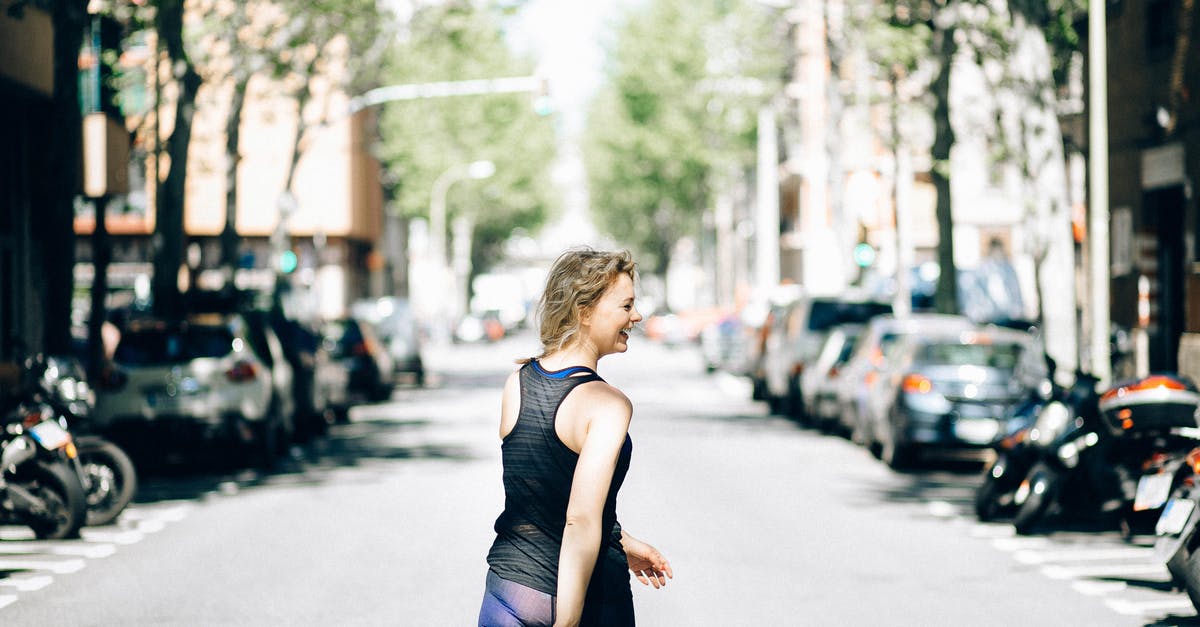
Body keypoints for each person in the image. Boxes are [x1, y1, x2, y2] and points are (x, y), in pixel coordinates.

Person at [479, 248, 673, 627]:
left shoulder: (517, 383)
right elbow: (580, 519)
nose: (636, 316)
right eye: (626, 305)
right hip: (589, 599)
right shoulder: (608, 404)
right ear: (584, 312)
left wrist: (624, 542)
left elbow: (543, 497)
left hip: (509, 588)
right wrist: (566, 622)